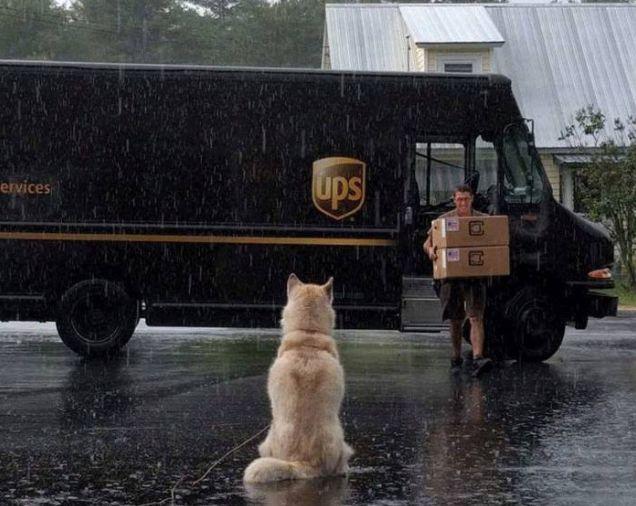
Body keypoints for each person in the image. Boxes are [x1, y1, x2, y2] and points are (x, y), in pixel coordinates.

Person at [423, 184, 493, 377]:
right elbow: (427, 243)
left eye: (466, 199)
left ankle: (478, 358)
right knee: (455, 319)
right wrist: (431, 251)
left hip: (475, 277)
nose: (463, 203)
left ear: (472, 199)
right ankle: (455, 358)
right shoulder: (444, 221)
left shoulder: (483, 221)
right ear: (454, 200)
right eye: (459, 199)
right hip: (452, 278)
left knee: (476, 317)